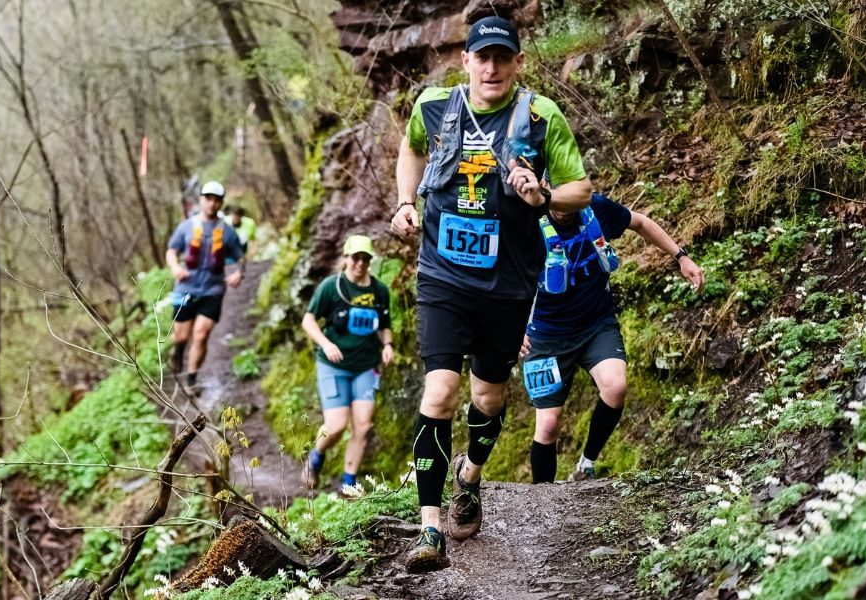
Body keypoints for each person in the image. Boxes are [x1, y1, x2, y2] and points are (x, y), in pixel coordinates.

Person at [391, 15, 594, 573]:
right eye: (483, 57)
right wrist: (407, 202)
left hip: (508, 284)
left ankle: (471, 474)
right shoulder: (432, 107)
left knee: (489, 399)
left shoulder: (539, 115)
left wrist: (545, 191)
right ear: (466, 62)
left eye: (503, 57)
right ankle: (429, 529)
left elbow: (582, 190)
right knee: (439, 393)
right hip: (442, 276)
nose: (492, 67)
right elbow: (410, 149)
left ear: (518, 63)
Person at [520, 193, 704, 482]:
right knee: (548, 425)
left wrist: (681, 257)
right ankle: (543, 501)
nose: (566, 208)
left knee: (615, 387)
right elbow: (498, 274)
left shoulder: (596, 208)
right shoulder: (524, 222)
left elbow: (640, 223)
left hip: (596, 324)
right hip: (545, 337)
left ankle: (586, 465)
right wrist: (509, 328)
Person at [301, 235, 394, 491]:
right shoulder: (331, 287)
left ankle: (348, 484)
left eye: (366, 259)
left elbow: (385, 326)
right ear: (346, 258)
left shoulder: (379, 291)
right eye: (356, 258)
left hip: (366, 366)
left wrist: (388, 345)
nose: (360, 264)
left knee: (362, 426)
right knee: (337, 425)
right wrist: (326, 343)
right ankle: (316, 457)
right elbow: (308, 320)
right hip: (334, 366)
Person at [165, 181, 244, 392]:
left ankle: (192, 379)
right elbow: (171, 250)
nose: (212, 204)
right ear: (201, 200)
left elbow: (239, 256)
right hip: (185, 288)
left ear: (221, 204)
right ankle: (178, 350)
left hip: (213, 290)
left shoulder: (227, 231)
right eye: (208, 199)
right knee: (181, 335)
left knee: (201, 334)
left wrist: (238, 272)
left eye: (217, 200)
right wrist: (174, 267)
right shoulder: (186, 227)